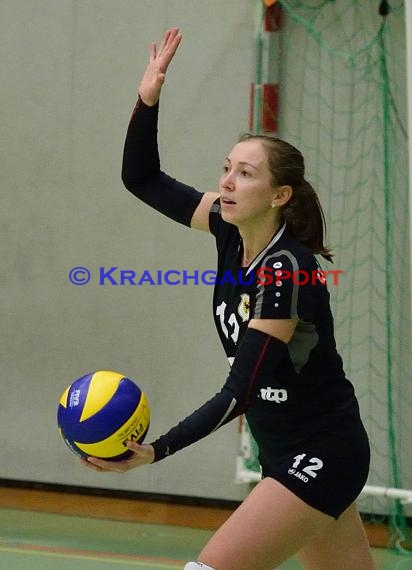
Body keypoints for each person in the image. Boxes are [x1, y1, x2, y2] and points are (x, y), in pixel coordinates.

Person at [82, 28, 378, 570]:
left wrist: (159, 449)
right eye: (227, 170)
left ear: (279, 195)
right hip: (286, 449)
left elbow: (240, 389)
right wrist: (148, 98)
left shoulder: (287, 269)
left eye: (246, 174)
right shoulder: (227, 228)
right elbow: (141, 177)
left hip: (321, 453)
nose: (229, 182)